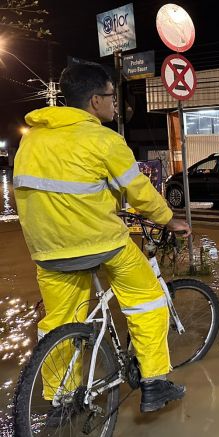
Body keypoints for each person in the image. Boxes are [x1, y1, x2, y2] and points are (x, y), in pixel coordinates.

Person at [13, 63, 190, 415]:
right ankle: (154, 381)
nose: (116, 104)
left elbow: (60, 189)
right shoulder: (104, 140)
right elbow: (139, 192)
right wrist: (170, 220)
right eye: (112, 96)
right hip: (100, 244)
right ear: (95, 101)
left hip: (46, 250)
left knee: (61, 320)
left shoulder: (31, 140)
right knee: (147, 298)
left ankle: (61, 401)